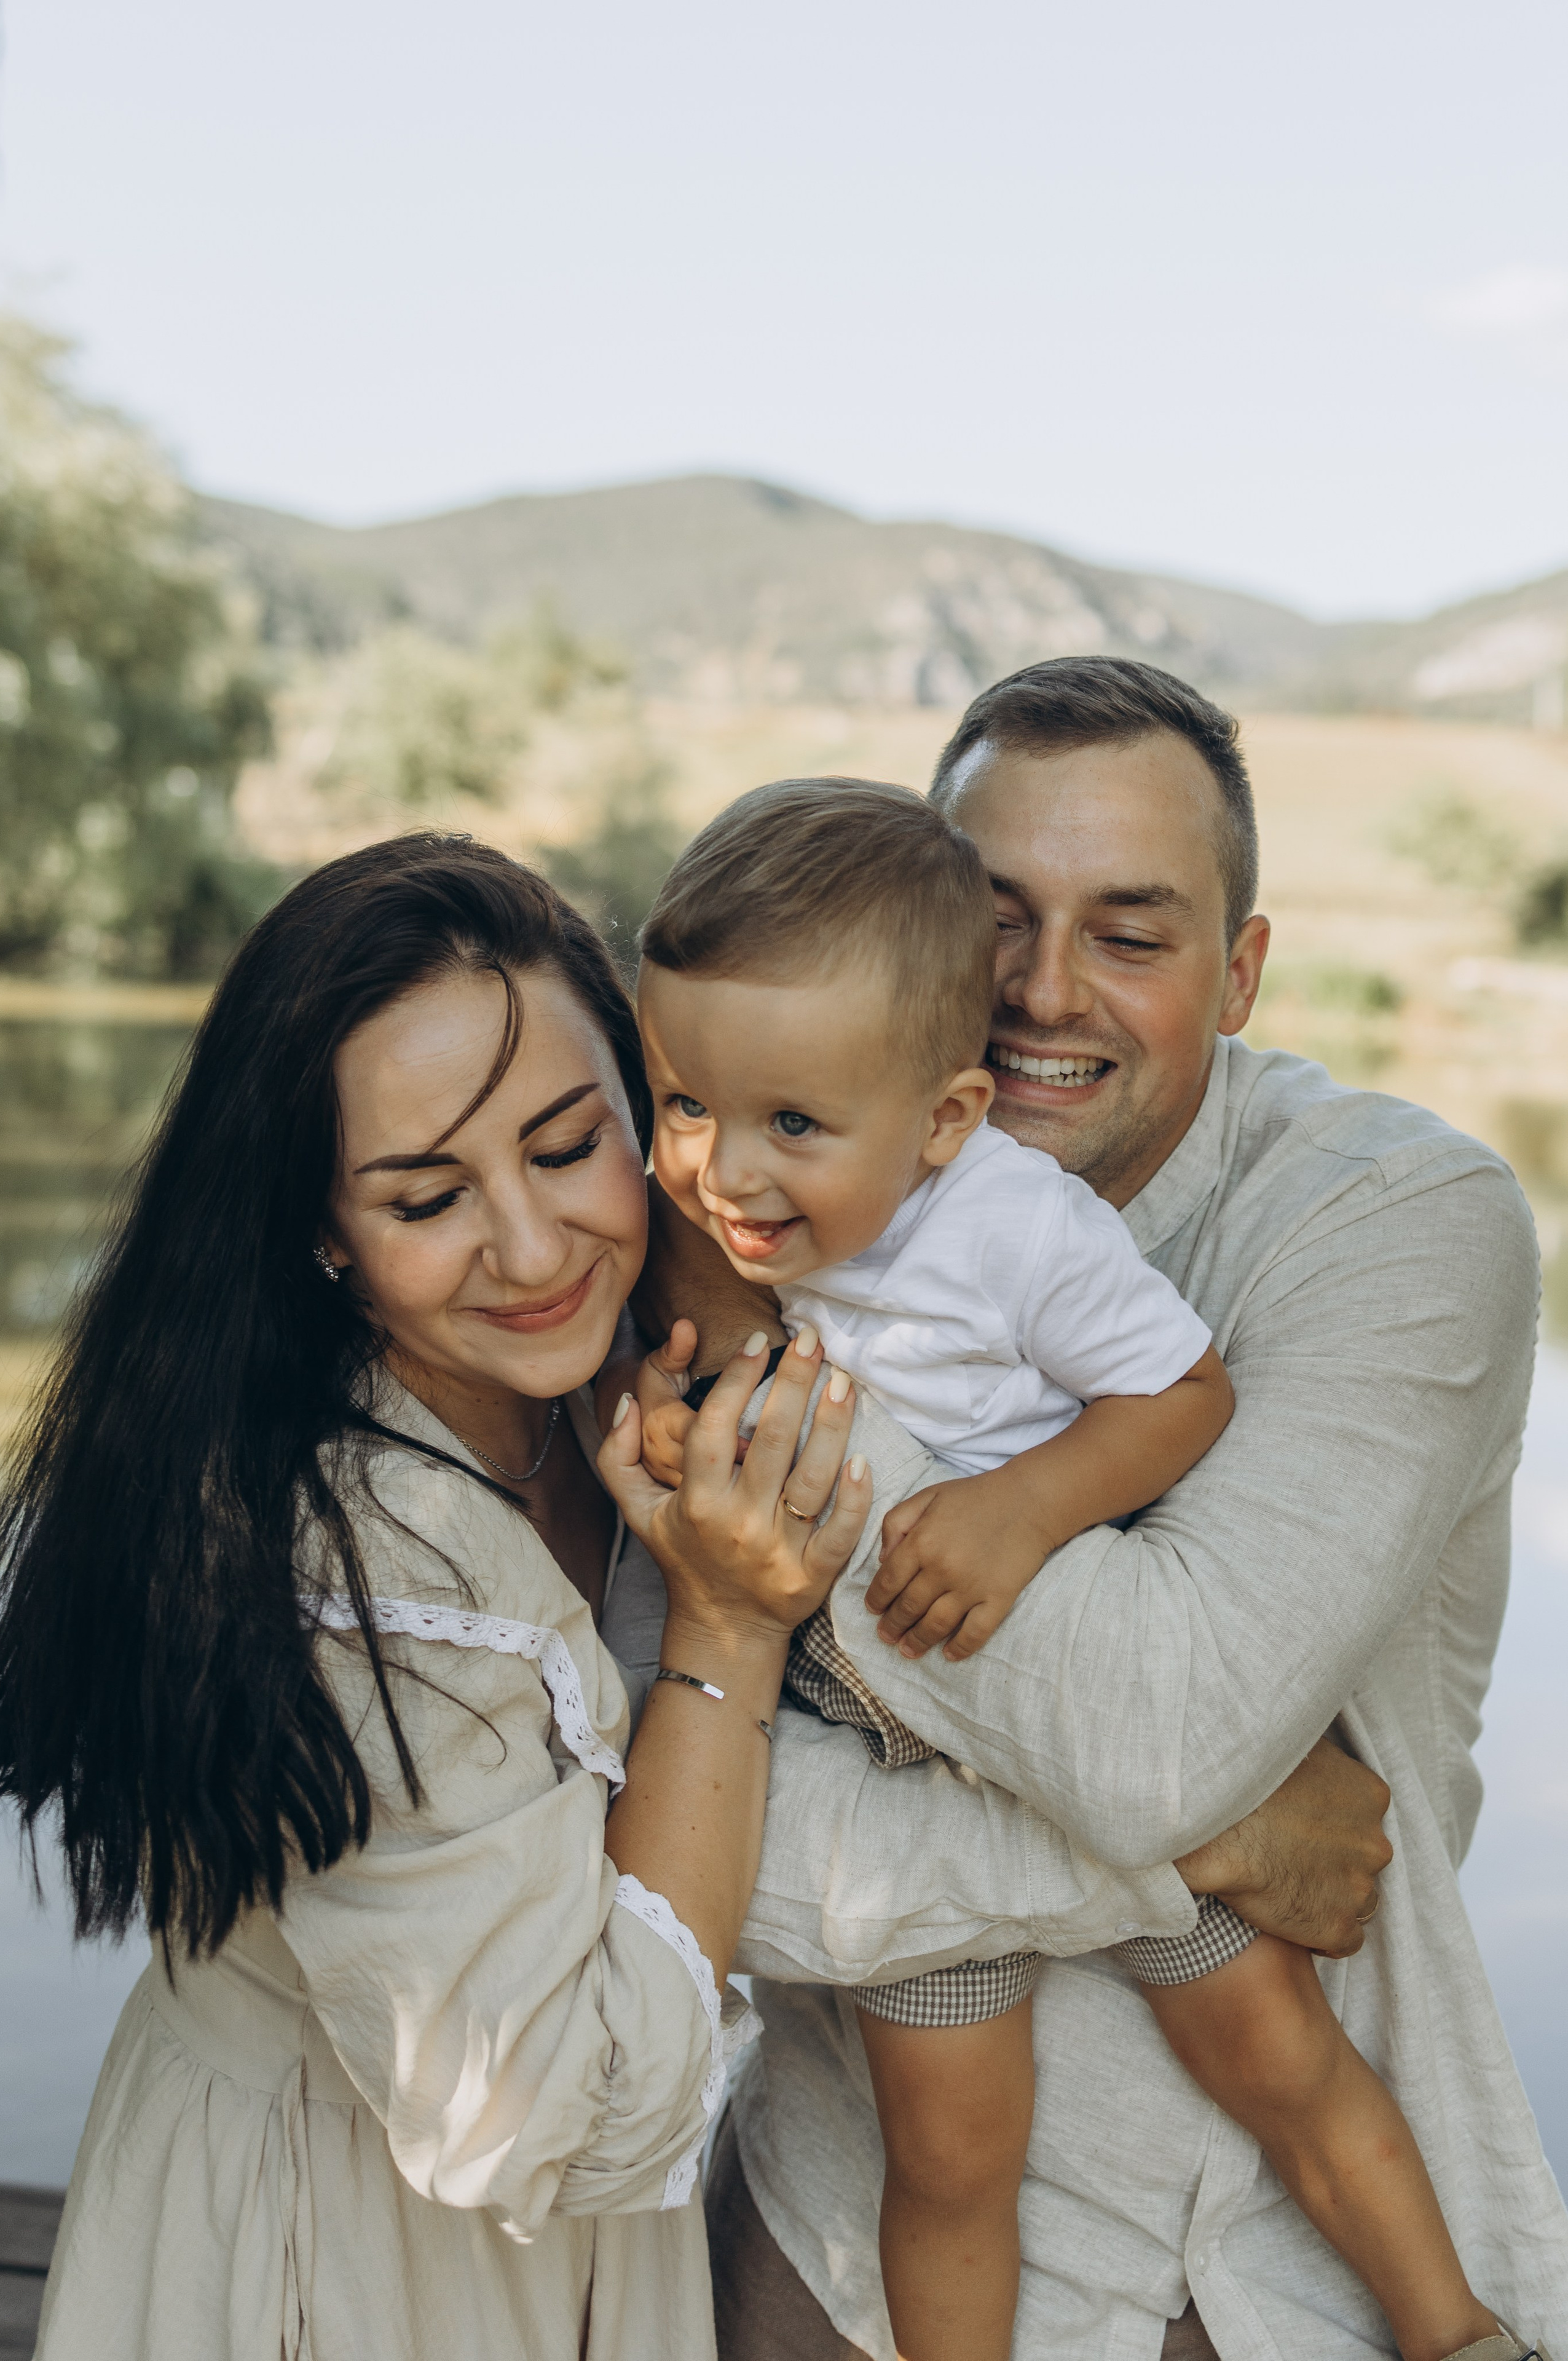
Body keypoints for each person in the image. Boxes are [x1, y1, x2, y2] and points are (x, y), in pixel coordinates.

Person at [0, 829, 1383, 2361]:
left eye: (567, 1145)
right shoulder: (356, 1571)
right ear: (323, 1226)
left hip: (598, 2258)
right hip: (337, 2258)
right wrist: (1184, 1846)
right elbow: (570, 2102)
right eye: (425, 1197)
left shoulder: (634, 1373)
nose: (534, 1247)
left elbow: (759, 1836)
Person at [627, 663, 1568, 2360]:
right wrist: (1213, 1846)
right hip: (842, 2260)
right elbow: (638, 1840)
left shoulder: (1398, 1222)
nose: (1042, 992)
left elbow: (1151, 1742)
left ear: (1241, 973)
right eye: (995, 923)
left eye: (1130, 936)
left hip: (1268, 2286)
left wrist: (761, 1393)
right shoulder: (737, 1201)